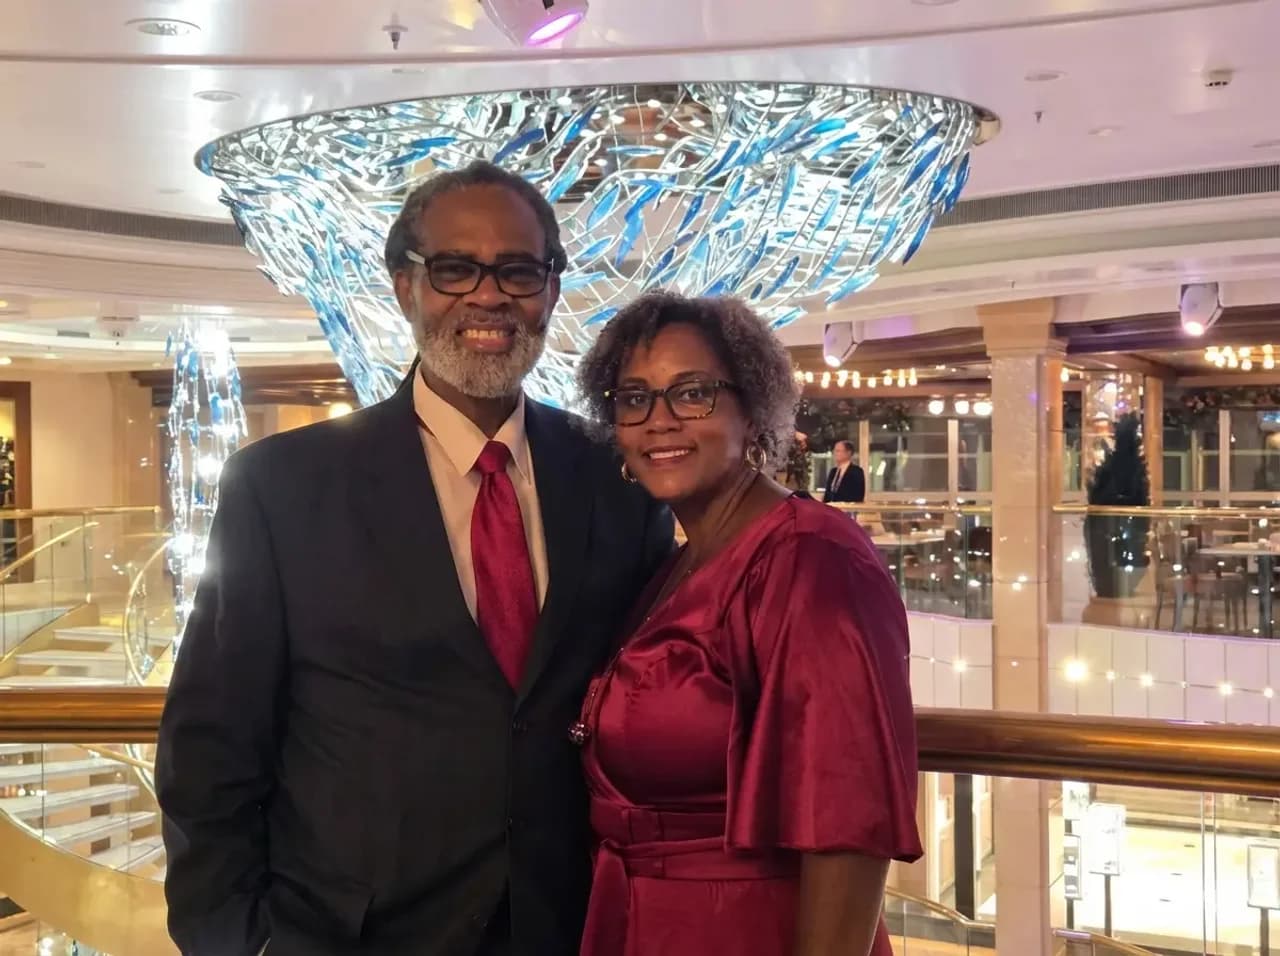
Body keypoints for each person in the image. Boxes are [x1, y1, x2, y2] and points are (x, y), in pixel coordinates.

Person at [156, 160, 673, 956]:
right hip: (346, 936)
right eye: (456, 269)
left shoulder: (616, 480)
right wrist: (235, 942)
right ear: (406, 286)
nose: (490, 295)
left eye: (519, 270)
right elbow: (211, 749)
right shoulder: (283, 487)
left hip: (570, 929)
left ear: (552, 289)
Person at [572, 291, 921, 956]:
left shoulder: (811, 558)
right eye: (635, 398)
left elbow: (849, 824)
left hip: (746, 927)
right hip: (645, 921)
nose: (660, 421)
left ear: (753, 410)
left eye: (693, 393)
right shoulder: (674, 565)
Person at [823, 439, 866, 505]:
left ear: (848, 453)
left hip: (848, 510)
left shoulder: (856, 471)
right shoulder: (833, 471)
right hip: (831, 510)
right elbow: (827, 494)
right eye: (834, 450)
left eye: (838, 451)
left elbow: (858, 495)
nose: (835, 453)